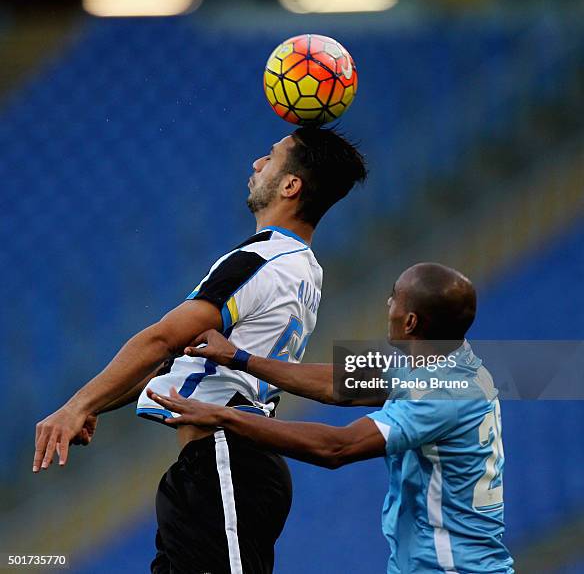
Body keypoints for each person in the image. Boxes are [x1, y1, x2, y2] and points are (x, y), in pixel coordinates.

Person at [33, 127, 367, 574]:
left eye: (271, 157)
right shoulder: (304, 269)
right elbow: (187, 357)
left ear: (291, 185)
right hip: (215, 466)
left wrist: (77, 405)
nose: (256, 164)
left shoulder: (258, 262)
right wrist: (101, 401)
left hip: (226, 461)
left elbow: (162, 339)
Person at [149, 263, 515, 574]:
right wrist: (241, 358)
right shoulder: (447, 362)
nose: (388, 303)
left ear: (411, 322)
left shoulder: (441, 393)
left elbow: (336, 448)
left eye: (395, 298)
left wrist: (224, 416)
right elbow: (337, 382)